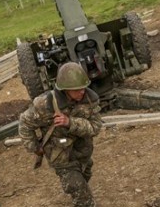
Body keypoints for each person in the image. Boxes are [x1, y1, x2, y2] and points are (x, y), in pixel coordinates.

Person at [19, 62, 103, 207]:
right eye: (76, 90)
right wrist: (34, 146)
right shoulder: (45, 104)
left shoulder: (90, 100)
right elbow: (25, 123)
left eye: (83, 88)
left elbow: (95, 128)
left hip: (83, 153)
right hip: (61, 157)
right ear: (65, 90)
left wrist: (70, 123)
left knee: (85, 176)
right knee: (78, 190)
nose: (82, 92)